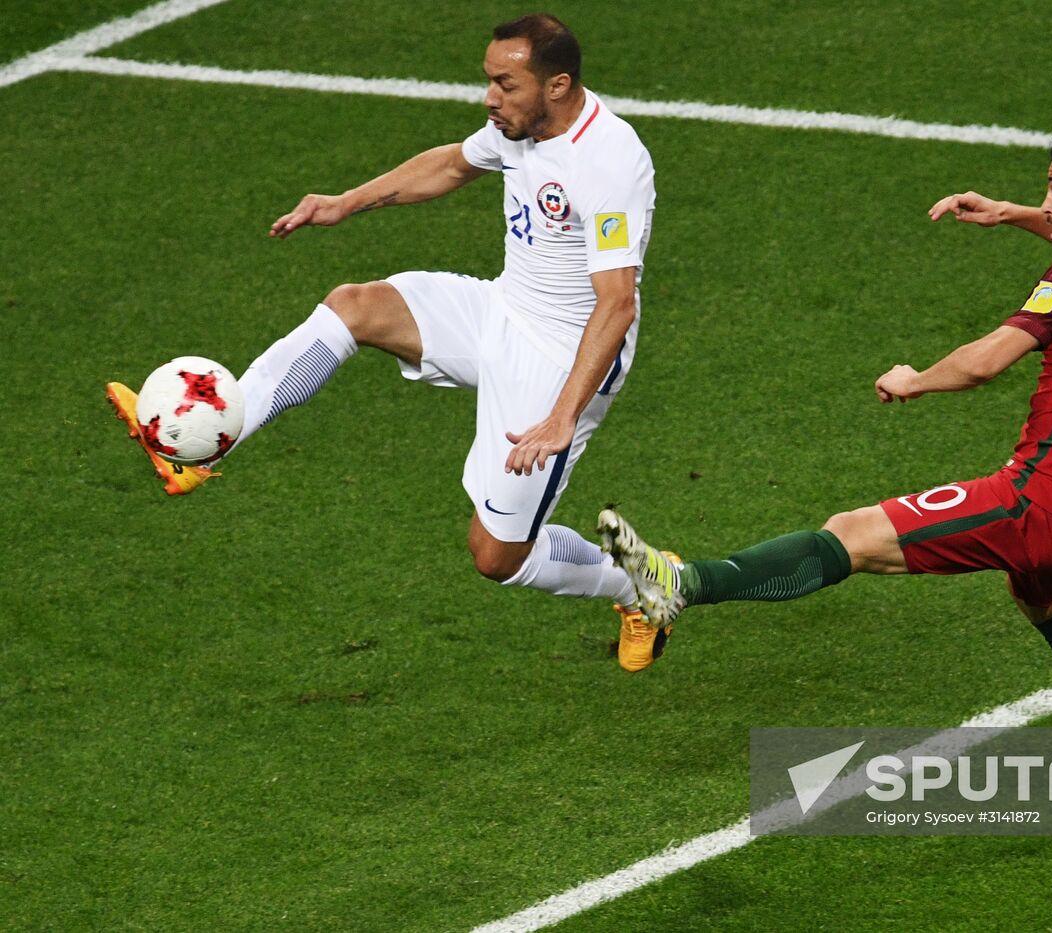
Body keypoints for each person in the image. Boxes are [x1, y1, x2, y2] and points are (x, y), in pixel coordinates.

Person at [600, 115, 1052, 798]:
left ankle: (681, 587)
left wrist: (917, 378)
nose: (1050, 207)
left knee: (851, 533)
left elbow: (988, 361)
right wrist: (1012, 215)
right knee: (1043, 595)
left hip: (1042, 504)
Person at [105, 14, 662, 670]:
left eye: (504, 84)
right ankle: (206, 445)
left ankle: (643, 585)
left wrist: (562, 416)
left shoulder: (607, 162)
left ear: (558, 85)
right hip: (502, 310)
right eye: (489, 80)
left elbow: (616, 303)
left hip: (563, 362)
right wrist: (348, 201)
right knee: (355, 307)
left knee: (496, 556)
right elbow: (453, 165)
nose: (490, 97)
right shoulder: (522, 125)